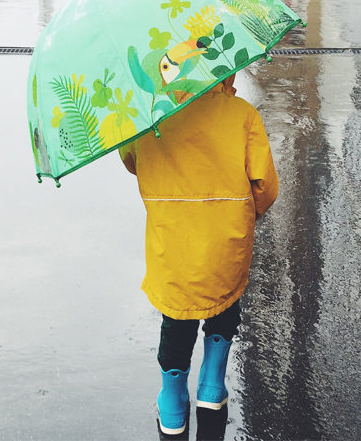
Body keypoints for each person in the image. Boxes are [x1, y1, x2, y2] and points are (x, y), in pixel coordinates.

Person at [119, 73, 279, 436]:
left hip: (172, 243)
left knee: (177, 319)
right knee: (224, 305)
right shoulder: (241, 115)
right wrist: (246, 212)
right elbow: (265, 187)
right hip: (226, 238)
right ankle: (211, 385)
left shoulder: (148, 117)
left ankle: (173, 402)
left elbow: (132, 161)